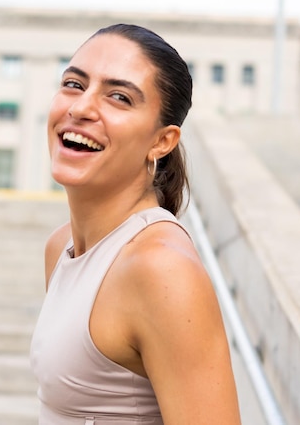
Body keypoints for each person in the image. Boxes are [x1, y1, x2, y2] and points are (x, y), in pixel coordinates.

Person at [30, 23, 242, 425]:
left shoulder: (161, 269)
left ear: (162, 141)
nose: (81, 108)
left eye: (119, 97)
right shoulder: (60, 248)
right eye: (74, 84)